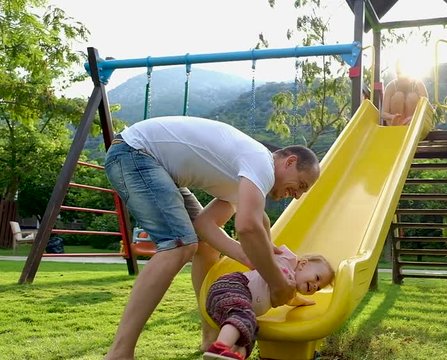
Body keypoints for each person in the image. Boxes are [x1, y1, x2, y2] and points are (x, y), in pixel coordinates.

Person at [103, 116, 321, 360]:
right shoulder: (262, 163)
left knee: (204, 246)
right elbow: (248, 227)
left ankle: (210, 337)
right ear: (289, 162)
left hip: (155, 165)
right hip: (134, 153)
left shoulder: (245, 180)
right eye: (301, 185)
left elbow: (207, 225)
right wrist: (277, 283)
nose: (298, 196)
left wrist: (256, 261)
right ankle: (119, 354)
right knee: (180, 245)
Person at [203, 245, 335, 360]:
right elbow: (272, 256)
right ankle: (219, 348)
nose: (315, 285)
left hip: (229, 303)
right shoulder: (289, 260)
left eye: (318, 288)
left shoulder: (289, 292)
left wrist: (304, 302)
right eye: (317, 278)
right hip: (234, 285)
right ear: (302, 264)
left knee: (250, 333)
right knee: (244, 316)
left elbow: (292, 300)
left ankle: (231, 356)